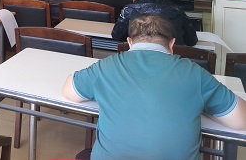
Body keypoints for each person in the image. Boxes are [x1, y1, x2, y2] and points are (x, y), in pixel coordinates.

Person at [63, 14, 246, 160]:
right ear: (172, 44)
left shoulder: (105, 66)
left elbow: (69, 92)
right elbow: (241, 120)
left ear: (130, 42)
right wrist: (202, 106)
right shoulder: (195, 74)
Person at [111, 0, 197, 45]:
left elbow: (117, 36)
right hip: (172, 57)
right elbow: (191, 41)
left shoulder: (129, 10)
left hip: (137, 56)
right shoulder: (177, 9)